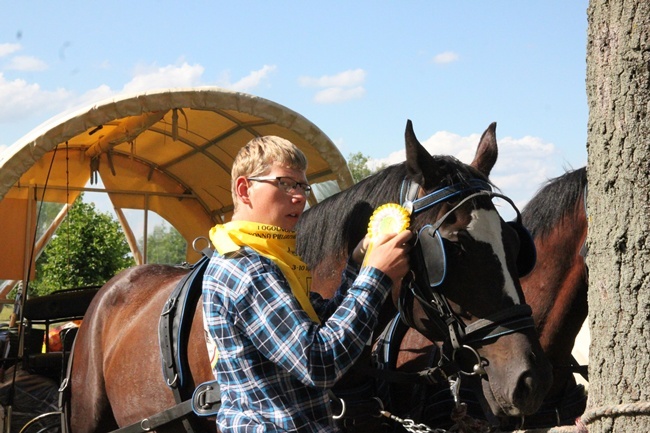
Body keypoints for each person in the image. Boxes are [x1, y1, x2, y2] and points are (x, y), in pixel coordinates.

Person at [202, 135, 412, 432]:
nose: (299, 196)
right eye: (285, 183)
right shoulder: (247, 269)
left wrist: (356, 265)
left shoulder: (271, 260)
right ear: (244, 188)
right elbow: (319, 363)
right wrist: (376, 276)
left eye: (302, 186)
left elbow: (324, 323)